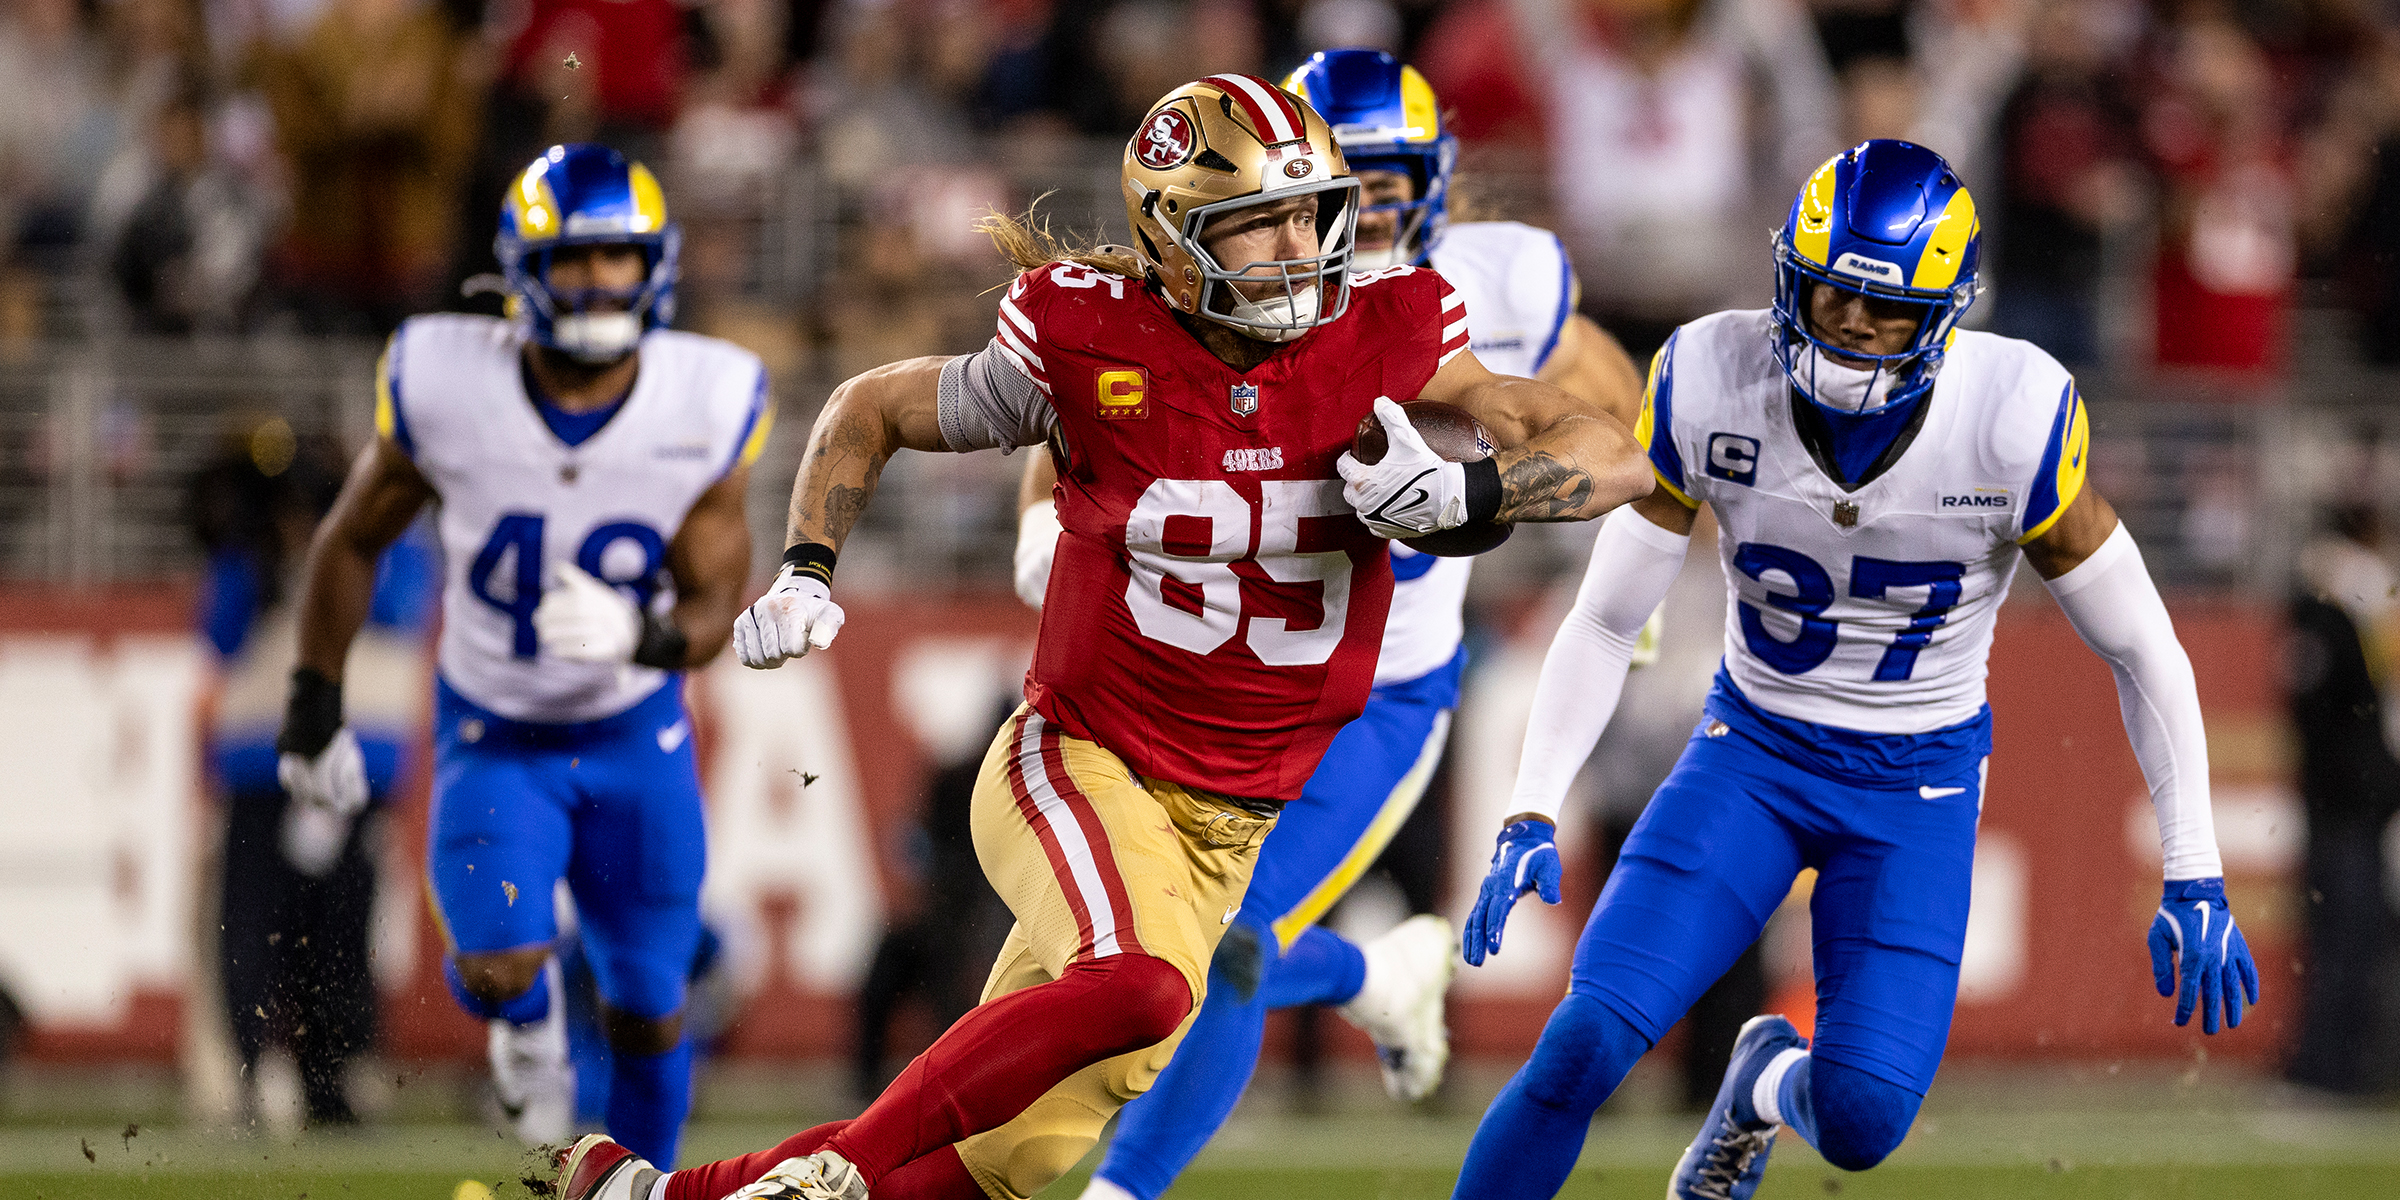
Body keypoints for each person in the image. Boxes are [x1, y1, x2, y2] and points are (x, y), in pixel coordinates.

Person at [553, 71, 1651, 1200]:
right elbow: (871, 406)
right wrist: (806, 567)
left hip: (1233, 819)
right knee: (1146, 989)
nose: (1298, 245)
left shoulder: (1398, 330)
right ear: (1175, 240)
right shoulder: (1088, 337)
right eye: (1254, 222)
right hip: (1086, 759)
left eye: (1306, 210)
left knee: (1013, 1162)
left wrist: (1481, 493)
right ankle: (820, 1174)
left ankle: (649, 1194)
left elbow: (1612, 446)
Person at [1450, 139, 2262, 1200]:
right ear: (1792, 275)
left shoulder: (2011, 415)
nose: (1851, 327)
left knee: (1863, 1120)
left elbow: (2143, 646)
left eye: (1884, 310)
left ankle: (1760, 1087)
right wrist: (1529, 807)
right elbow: (1607, 619)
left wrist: (2194, 864)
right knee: (1582, 1044)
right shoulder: (1708, 374)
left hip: (1913, 787)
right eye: (1832, 296)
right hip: (1752, 754)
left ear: (1945, 314)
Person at [995, 49, 1645, 1200]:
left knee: (1222, 946)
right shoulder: (1207, 282)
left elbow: (1620, 414)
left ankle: (1118, 1191)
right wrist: (1046, 526)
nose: (1358, 216)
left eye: (1383, 185)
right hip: (1197, 680)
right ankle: (1371, 976)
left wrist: (1618, 557)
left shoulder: (1487, 284)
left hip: (1376, 688)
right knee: (1137, 942)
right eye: (1314, 191)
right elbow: (1081, 400)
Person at [273, 143, 768, 1167]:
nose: (598, 281)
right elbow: (352, 536)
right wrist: (311, 701)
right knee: (500, 966)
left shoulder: (703, 397)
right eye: (576, 258)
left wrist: (647, 635)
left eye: (618, 258)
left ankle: (640, 1189)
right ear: (522, 268)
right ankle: (529, 1032)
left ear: (655, 265)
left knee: (649, 1005)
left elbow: (720, 596)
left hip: (636, 732)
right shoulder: (449, 382)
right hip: (494, 730)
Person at [195, 416, 433, 1127]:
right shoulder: (253, 549)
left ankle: (335, 1074)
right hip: (259, 763)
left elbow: (399, 609)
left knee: (338, 928)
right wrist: (261, 552)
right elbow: (220, 633)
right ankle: (251, 1072)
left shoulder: (391, 536)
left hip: (351, 762)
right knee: (251, 930)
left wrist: (338, 545)